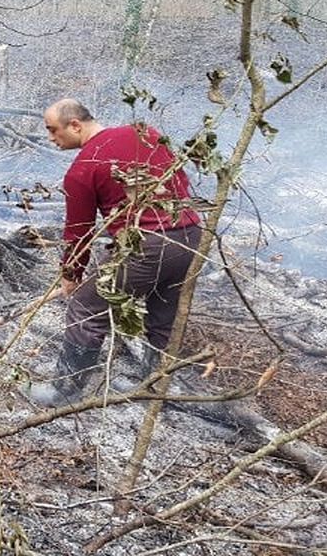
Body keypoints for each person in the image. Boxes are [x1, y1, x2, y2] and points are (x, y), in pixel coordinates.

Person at [28, 99, 201, 406]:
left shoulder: (83, 169)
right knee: (163, 311)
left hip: (146, 245)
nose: (51, 139)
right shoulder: (144, 133)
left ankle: (63, 391)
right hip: (190, 235)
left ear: (75, 125)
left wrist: (71, 275)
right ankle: (156, 387)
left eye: (53, 131)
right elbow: (179, 177)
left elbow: (78, 231)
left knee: (85, 307)